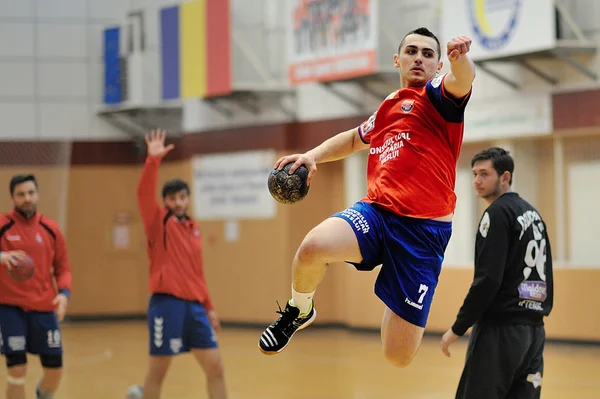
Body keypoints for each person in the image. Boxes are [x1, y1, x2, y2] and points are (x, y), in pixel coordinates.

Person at [258, 27, 476, 368]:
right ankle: (300, 309)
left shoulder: (439, 97)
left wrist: (460, 60)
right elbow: (351, 140)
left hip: (423, 235)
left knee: (397, 356)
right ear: (397, 59)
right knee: (312, 248)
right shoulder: (389, 106)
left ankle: (397, 284)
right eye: (412, 51)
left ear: (437, 66)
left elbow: (463, 80)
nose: (419, 58)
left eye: (428, 54)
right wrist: (312, 155)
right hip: (377, 213)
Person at [440, 147, 554, 398]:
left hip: (500, 332)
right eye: (474, 174)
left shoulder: (497, 214)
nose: (476, 181)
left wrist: (457, 328)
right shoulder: (533, 214)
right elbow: (546, 272)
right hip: (533, 332)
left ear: (505, 177)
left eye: (484, 174)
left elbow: (487, 280)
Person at [128, 129, 227, 399]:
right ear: (166, 202)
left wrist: (209, 307)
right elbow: (143, 194)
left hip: (195, 308)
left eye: (182, 197)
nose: (178, 202)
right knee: (159, 370)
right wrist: (153, 161)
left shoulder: (194, 229)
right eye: (172, 199)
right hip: (166, 304)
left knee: (215, 366)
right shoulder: (158, 222)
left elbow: (198, 273)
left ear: (188, 198)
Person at [0, 174, 72, 399]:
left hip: (43, 308)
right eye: (21, 195)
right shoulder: (2, 225)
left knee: (55, 372)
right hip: (10, 309)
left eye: (31, 193)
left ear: (37, 195)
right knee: (17, 371)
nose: (27, 198)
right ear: (12, 198)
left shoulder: (51, 229)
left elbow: (63, 268)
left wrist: (63, 294)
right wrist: (1, 256)